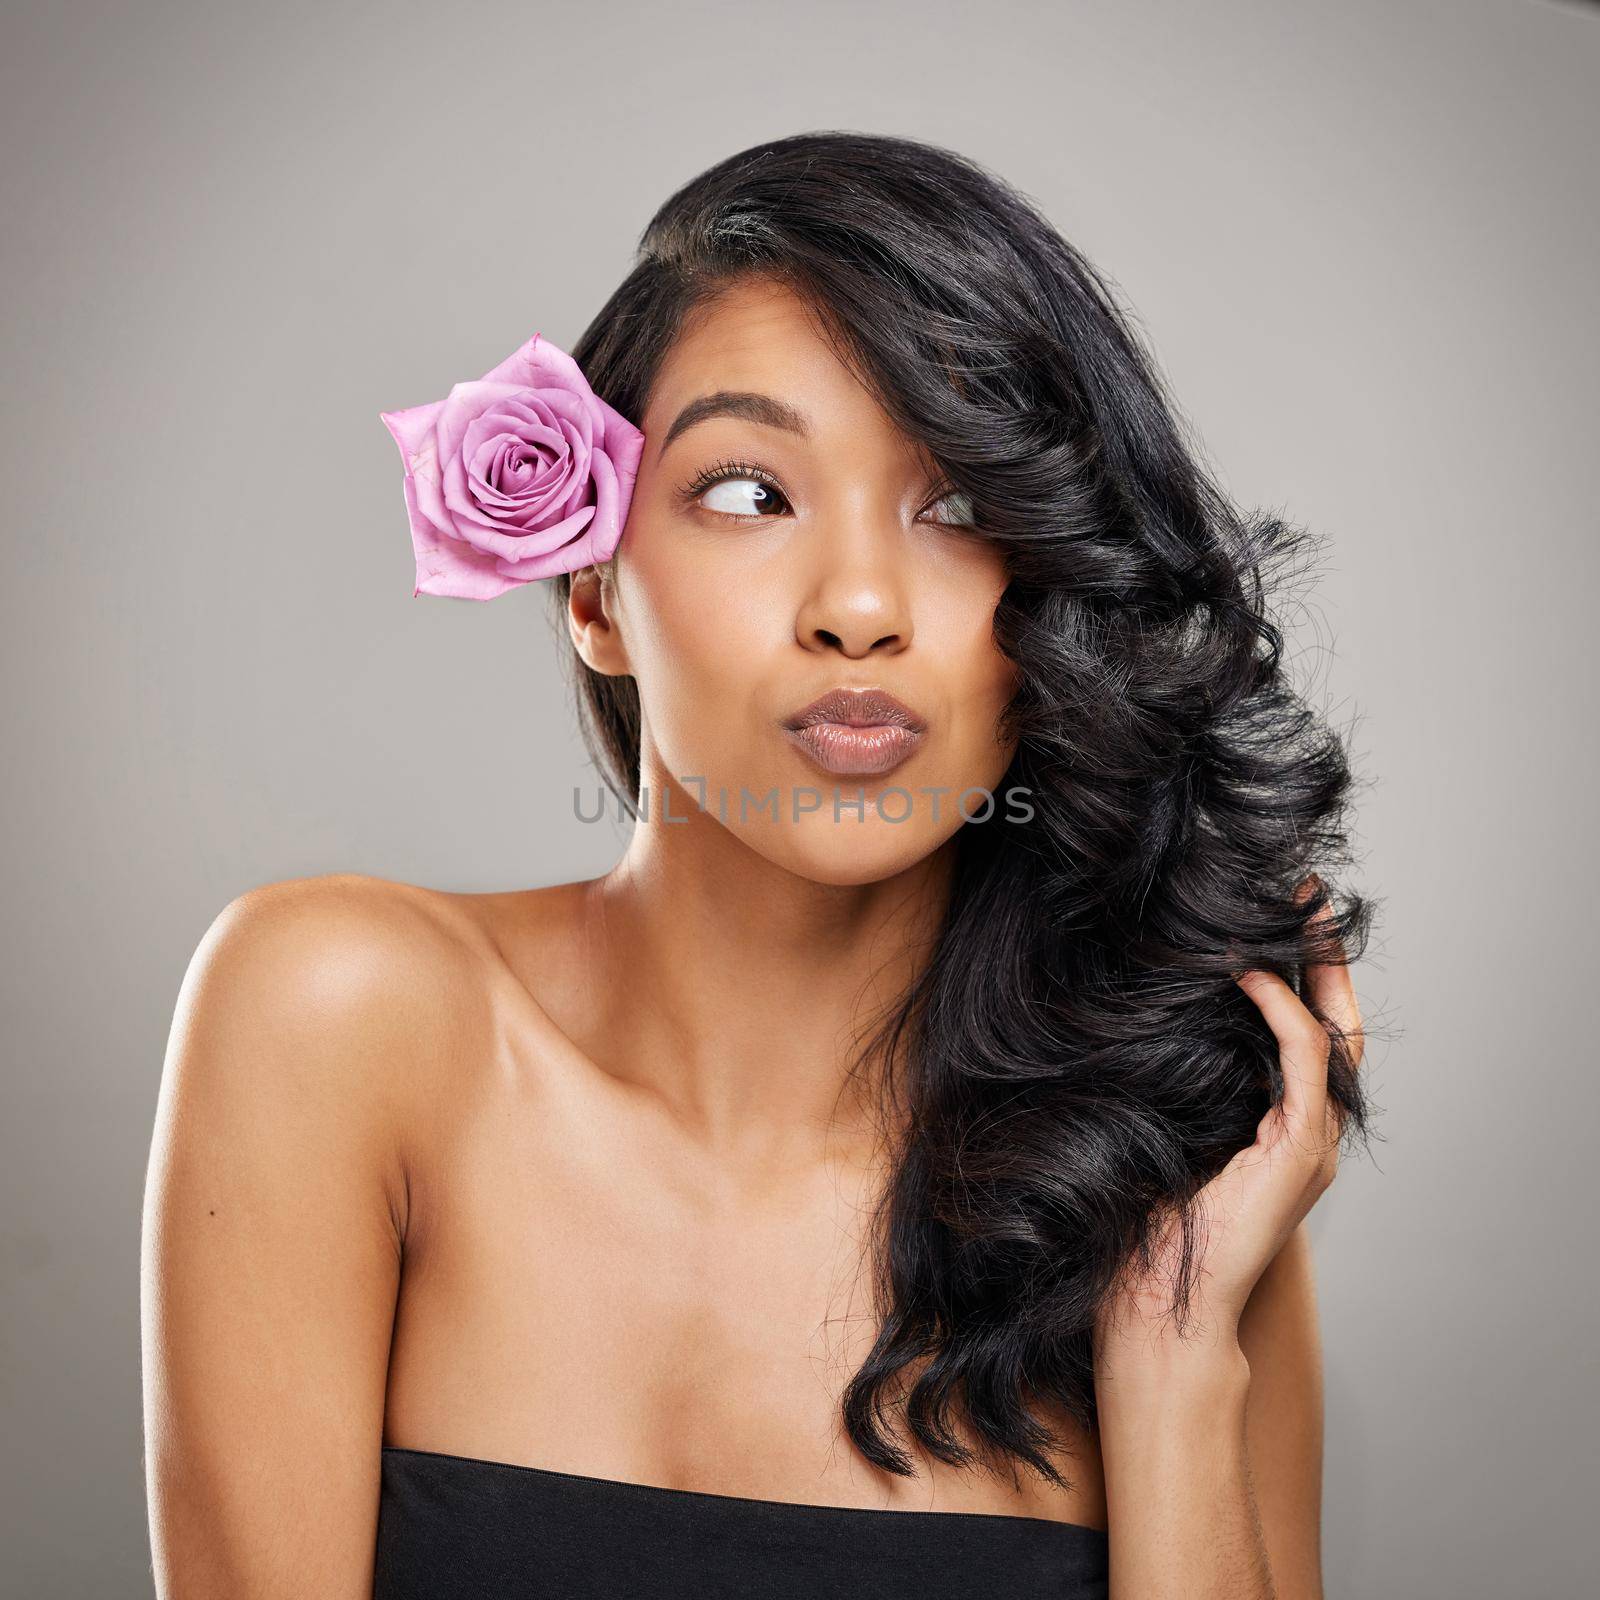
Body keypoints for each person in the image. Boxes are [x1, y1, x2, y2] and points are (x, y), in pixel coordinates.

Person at [141, 130, 1370, 1599]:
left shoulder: (1164, 1185)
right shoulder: (340, 1023)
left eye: (961, 505)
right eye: (748, 491)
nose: (858, 606)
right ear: (593, 588)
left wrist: (1171, 1356)